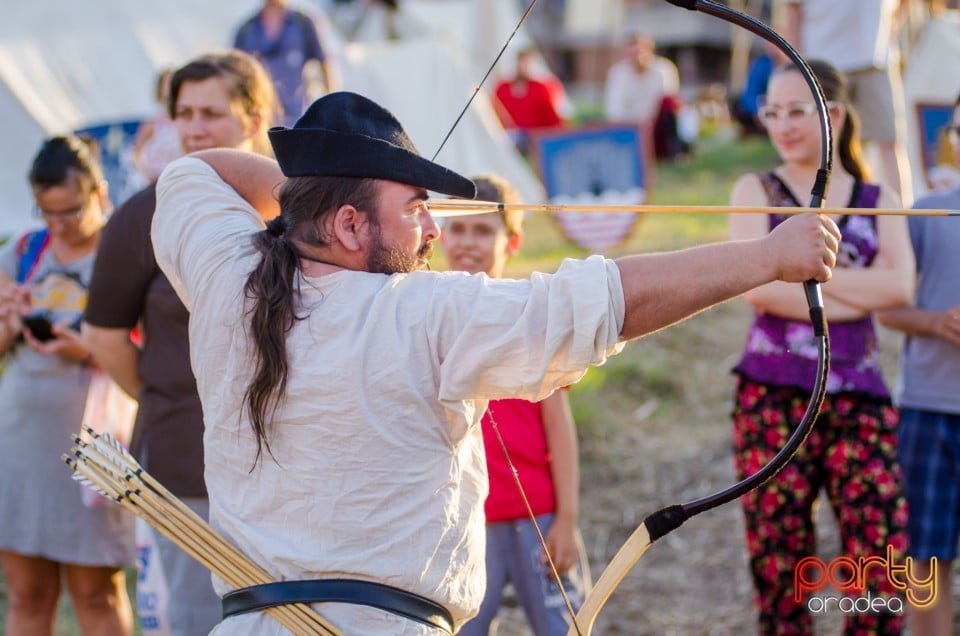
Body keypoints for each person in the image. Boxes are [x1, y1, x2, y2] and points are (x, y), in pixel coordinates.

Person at [150, 89, 840, 633]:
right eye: (414, 208)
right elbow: (608, 300)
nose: (431, 230)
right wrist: (768, 257)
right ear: (351, 225)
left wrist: (313, 191)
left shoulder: (228, 279)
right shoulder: (424, 311)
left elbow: (190, 173)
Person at [81, 50, 279, 636]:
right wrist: (169, 393)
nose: (194, 128)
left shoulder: (296, 211)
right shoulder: (144, 213)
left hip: (289, 459)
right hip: (183, 456)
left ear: (253, 118)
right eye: (184, 113)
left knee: (289, 616)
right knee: (201, 619)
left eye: (211, 113)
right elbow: (104, 335)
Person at [728, 59, 915, 635]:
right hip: (772, 395)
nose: (782, 125)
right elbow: (758, 289)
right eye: (772, 113)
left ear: (832, 114)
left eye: (797, 111)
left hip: (860, 395)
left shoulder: (877, 196)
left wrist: (806, 281)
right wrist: (858, 289)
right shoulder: (755, 190)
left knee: (881, 560)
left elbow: (899, 287)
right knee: (778, 559)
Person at [442, 175, 589, 635]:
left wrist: (567, 519)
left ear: (513, 241)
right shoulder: (429, 316)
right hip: (461, 519)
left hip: (537, 516)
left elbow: (559, 427)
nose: (469, 242)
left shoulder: (534, 316)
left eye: (484, 230)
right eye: (458, 228)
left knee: (564, 626)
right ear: (439, 234)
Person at [0, 135, 135, 635]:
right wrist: (11, 322)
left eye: (71, 212)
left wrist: (89, 350)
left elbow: (150, 351)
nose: (58, 225)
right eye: (47, 212)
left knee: (97, 593)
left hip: (96, 445)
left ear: (99, 192)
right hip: (22, 441)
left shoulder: (125, 251)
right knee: (27, 595)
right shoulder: (24, 249)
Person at [876, 94, 960, 636]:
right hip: (930, 411)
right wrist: (935, 322)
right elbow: (887, 307)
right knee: (927, 561)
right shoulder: (926, 213)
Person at [782, 0, 913, 204]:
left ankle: (901, 214)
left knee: (890, 140)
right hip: (824, 60)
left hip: (876, 58)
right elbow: (793, 11)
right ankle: (821, 211)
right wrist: (796, 66)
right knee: (822, 145)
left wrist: (894, 24)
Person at [233, 0, 338, 125]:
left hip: (297, 118)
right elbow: (234, 76)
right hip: (260, 119)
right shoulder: (247, 29)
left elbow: (325, 65)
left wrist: (333, 107)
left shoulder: (303, 24)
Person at [603, 33, 688, 161]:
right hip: (630, 127)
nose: (636, 58)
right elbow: (613, 106)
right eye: (631, 54)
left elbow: (664, 103)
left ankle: (675, 151)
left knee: (671, 102)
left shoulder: (663, 70)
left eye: (639, 53)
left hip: (655, 126)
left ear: (650, 51)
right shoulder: (618, 73)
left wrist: (647, 124)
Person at [492, 48, 571, 155]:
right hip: (509, 136)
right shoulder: (502, 89)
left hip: (534, 137)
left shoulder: (541, 88)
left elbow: (551, 117)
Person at [133, 68, 184, 184]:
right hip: (155, 180)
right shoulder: (154, 121)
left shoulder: (185, 120)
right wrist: (145, 174)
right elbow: (136, 152)